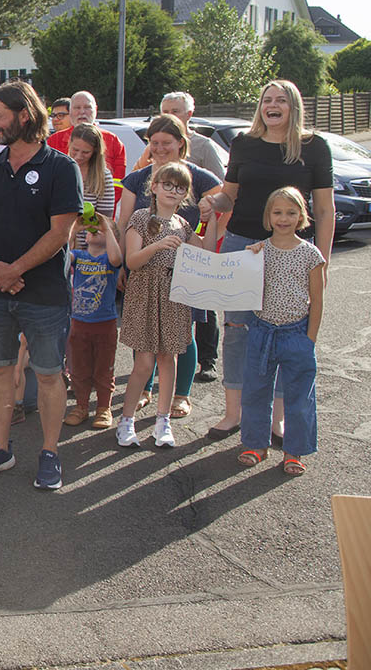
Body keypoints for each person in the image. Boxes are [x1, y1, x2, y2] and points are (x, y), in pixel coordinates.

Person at [202, 80, 335, 443]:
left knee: (282, 333)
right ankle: (234, 413)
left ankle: (274, 421)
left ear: (294, 106)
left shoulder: (314, 148)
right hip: (242, 246)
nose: (272, 105)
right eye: (266, 100)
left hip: (291, 251)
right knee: (237, 331)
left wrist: (321, 263)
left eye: (281, 100)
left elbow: (324, 210)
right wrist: (212, 203)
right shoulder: (243, 144)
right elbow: (230, 196)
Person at [0, 80, 81, 491]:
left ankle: (49, 453)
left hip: (44, 294)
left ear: (24, 116)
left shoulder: (61, 169)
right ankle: (0, 448)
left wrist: (16, 270)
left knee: (49, 375)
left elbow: (60, 233)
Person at [116, 114, 223, 419]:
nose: (160, 148)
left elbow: (222, 205)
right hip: (144, 272)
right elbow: (124, 223)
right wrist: (124, 263)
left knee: (181, 337)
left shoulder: (197, 176)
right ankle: (146, 388)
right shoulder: (137, 179)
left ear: (180, 143)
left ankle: (180, 395)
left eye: (167, 143)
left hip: (183, 274)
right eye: (154, 143)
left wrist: (212, 217)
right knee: (143, 334)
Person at [236, 187, 325, 475]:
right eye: (277, 212)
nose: (283, 218)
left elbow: (318, 300)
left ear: (302, 215)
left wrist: (309, 339)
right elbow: (244, 286)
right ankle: (255, 445)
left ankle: (294, 451)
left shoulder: (310, 254)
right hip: (262, 330)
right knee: (255, 391)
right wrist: (247, 259)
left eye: (291, 212)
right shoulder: (259, 251)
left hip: (296, 333)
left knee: (299, 397)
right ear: (268, 216)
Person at [64, 215, 122, 429]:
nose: (94, 228)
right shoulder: (78, 256)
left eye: (101, 228)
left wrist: (107, 228)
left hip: (105, 324)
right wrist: (73, 227)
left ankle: (103, 408)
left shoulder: (109, 259)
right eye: (92, 229)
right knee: (79, 368)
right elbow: (62, 255)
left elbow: (117, 259)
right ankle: (81, 406)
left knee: (103, 370)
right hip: (79, 323)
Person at [46, 91, 126, 205]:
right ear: (70, 111)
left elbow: (117, 185)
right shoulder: (54, 141)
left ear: (96, 109)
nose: (82, 112)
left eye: (87, 107)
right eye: (77, 107)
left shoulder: (113, 141)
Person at [65, 123, 114, 250]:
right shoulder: (60, 170)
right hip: (62, 245)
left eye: (85, 152)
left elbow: (105, 220)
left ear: (95, 152)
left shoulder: (103, 176)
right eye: (75, 150)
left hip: (90, 250)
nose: (78, 156)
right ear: (69, 143)